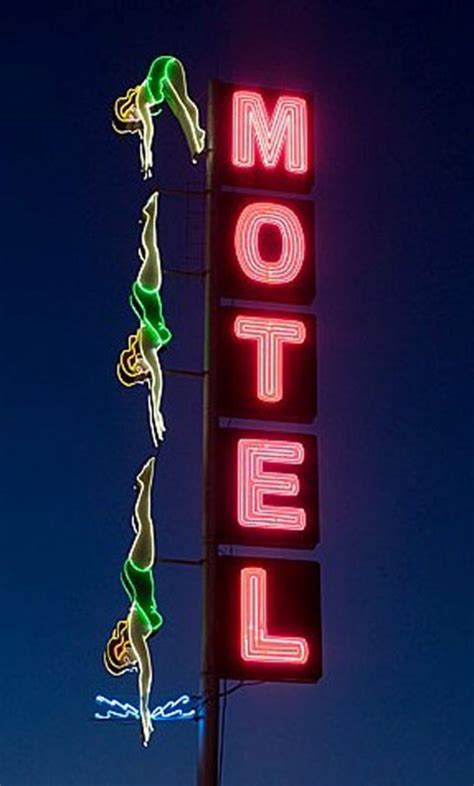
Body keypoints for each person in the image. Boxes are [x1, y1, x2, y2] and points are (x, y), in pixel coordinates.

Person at [103, 456, 163, 747]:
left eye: (124, 659)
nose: (130, 663)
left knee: (145, 524)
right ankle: (144, 484)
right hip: (139, 575)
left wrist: (144, 711)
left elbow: (147, 672)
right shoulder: (135, 629)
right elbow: (144, 667)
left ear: (121, 649)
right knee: (143, 525)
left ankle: (145, 482)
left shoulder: (135, 630)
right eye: (126, 665)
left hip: (138, 572)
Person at [117, 190, 170, 445]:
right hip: (149, 292)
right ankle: (150, 215)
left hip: (148, 290)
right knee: (150, 252)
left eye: (136, 367)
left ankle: (151, 213)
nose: (141, 369)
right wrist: (154, 410)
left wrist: (155, 411)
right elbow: (154, 380)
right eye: (138, 372)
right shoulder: (147, 347)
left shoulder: (147, 347)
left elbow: (158, 378)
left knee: (152, 250)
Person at [113, 55, 206, 179]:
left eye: (131, 125)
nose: (134, 126)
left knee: (182, 107)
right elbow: (146, 131)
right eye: (131, 129)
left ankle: (196, 142)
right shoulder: (144, 101)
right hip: (167, 71)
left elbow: (149, 130)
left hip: (164, 68)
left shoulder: (140, 101)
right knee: (184, 104)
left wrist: (147, 155)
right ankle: (197, 135)